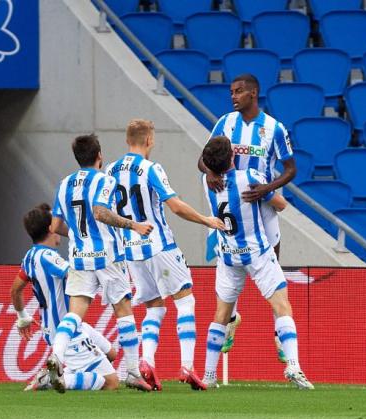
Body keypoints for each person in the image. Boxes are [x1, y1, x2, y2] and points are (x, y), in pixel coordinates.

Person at [105, 119, 225, 391]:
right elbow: (175, 206)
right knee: (185, 300)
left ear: (127, 140)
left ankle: (146, 361)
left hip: (131, 251)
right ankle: (187, 365)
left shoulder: (110, 170)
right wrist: (206, 220)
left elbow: (105, 211)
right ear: (149, 140)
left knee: (154, 306)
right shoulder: (150, 168)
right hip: (160, 245)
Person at [200, 136, 313, 390]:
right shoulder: (249, 177)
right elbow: (280, 205)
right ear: (231, 157)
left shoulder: (206, 182)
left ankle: (208, 375)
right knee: (282, 306)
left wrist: (209, 170)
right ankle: (293, 364)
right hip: (257, 252)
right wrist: (266, 193)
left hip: (228, 254)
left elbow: (208, 169)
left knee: (221, 314)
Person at [198, 73, 297, 358]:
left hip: (261, 202)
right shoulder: (225, 123)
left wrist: (268, 187)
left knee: (271, 264)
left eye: (238, 91)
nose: (233, 96)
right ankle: (229, 320)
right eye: (231, 91)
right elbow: (202, 159)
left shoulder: (274, 128)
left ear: (253, 94)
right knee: (229, 259)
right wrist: (212, 172)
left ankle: (280, 333)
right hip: (229, 203)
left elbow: (291, 169)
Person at [49, 134, 154, 392]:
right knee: (124, 311)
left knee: (75, 314)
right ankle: (131, 372)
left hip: (78, 256)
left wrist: (76, 234)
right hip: (107, 255)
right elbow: (100, 212)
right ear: (99, 156)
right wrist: (134, 225)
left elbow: (54, 226)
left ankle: (56, 355)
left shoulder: (64, 184)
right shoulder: (105, 179)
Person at [10, 203, 118, 391]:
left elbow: (15, 290)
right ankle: (52, 381)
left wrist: (22, 317)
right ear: (51, 228)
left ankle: (59, 375)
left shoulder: (29, 257)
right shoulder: (50, 257)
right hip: (67, 331)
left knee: (111, 354)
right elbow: (74, 274)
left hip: (65, 327)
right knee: (111, 383)